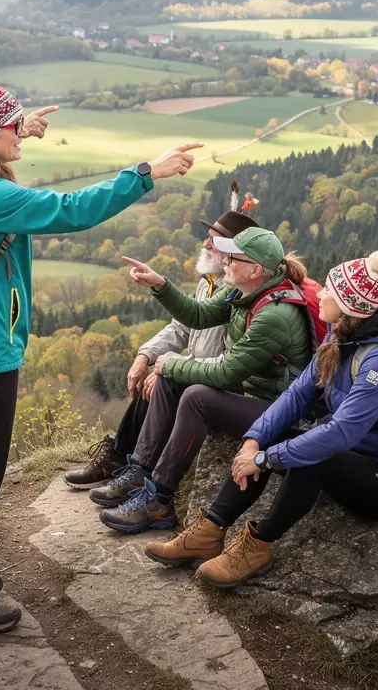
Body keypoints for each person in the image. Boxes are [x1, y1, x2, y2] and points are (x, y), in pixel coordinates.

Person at [0, 62, 201, 633]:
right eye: (12, 125)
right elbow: (71, 211)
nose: (20, 132)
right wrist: (146, 173)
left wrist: (11, 130)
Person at [145, 251, 378, 587]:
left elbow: (342, 434)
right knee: (282, 441)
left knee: (313, 456)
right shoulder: (341, 334)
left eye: (329, 292)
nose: (320, 293)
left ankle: (258, 545)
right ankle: (209, 531)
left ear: (349, 305)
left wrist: (266, 459)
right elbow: (297, 394)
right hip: (352, 458)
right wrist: (254, 441)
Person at [92, 228, 315, 534]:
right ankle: (141, 469)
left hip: (279, 410)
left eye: (233, 257)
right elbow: (197, 315)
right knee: (173, 380)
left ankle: (159, 502)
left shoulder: (275, 314)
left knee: (196, 396)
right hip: (251, 394)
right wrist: (160, 284)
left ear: (255, 269)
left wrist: (171, 365)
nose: (225, 261)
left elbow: (227, 373)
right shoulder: (243, 290)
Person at [62, 206, 257, 491]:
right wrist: (147, 355)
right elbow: (181, 327)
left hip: (224, 383)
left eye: (213, 239)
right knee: (152, 375)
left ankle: (140, 469)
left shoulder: (239, 294)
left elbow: (228, 359)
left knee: (164, 378)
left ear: (233, 251)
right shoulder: (209, 284)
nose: (204, 243)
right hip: (203, 371)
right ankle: (121, 455)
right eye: (207, 236)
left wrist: (174, 365)